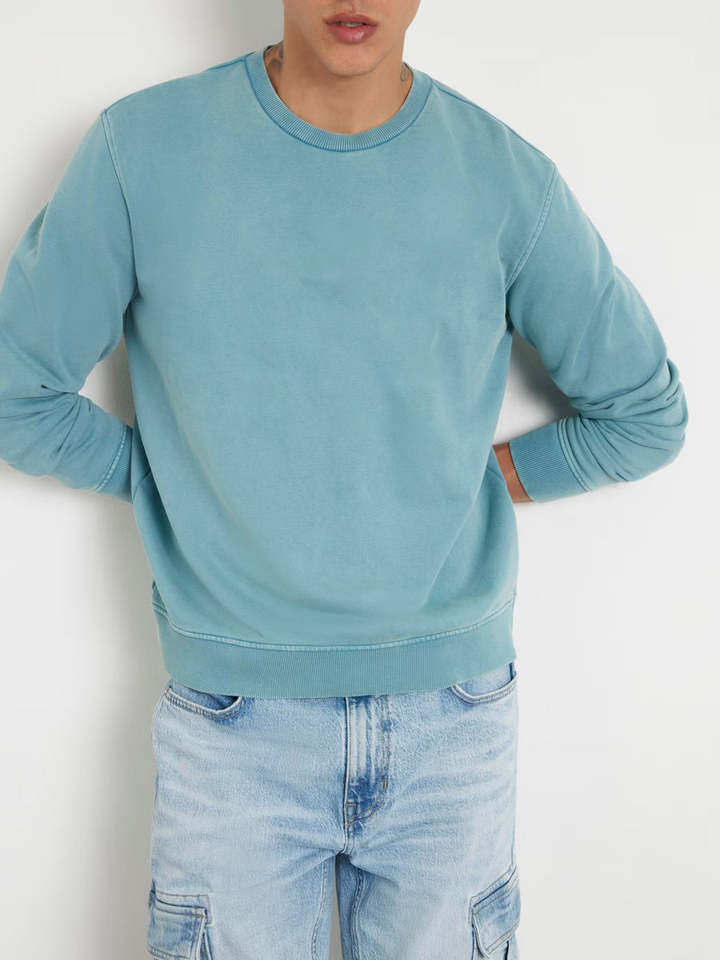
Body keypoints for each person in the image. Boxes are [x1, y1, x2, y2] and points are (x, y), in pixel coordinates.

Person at [0, 3, 688, 958]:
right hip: (233, 726)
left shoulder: (503, 178)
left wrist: (485, 478)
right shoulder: (141, 151)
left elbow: (644, 415)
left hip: (452, 722)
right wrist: (166, 480)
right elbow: (17, 393)